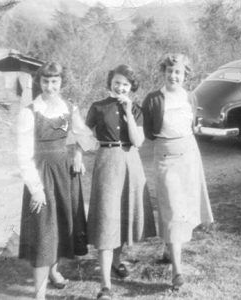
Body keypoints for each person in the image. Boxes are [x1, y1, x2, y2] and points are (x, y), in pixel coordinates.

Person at [17, 62, 96, 300]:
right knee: (43, 232)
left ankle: (54, 271)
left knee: (61, 226)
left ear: (61, 83)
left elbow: (86, 138)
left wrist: (78, 155)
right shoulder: (29, 112)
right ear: (39, 82)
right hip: (41, 175)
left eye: (55, 82)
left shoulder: (70, 108)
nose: (50, 87)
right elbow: (22, 155)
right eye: (45, 81)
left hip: (65, 174)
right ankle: (39, 294)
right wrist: (36, 189)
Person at [142, 53, 214, 291]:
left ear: (185, 76)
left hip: (189, 154)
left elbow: (192, 125)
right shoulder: (153, 99)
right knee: (172, 207)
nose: (173, 76)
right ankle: (177, 272)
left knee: (185, 206)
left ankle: (168, 249)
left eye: (178, 72)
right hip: (165, 155)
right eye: (169, 71)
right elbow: (150, 133)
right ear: (163, 73)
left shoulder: (190, 97)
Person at [86, 64, 156, 300]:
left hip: (130, 162)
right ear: (110, 82)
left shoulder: (136, 109)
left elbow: (137, 141)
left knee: (123, 215)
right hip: (106, 161)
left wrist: (127, 112)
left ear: (131, 87)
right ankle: (105, 286)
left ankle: (116, 262)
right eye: (117, 82)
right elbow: (82, 136)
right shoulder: (97, 107)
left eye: (125, 84)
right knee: (107, 217)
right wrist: (78, 154)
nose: (120, 87)